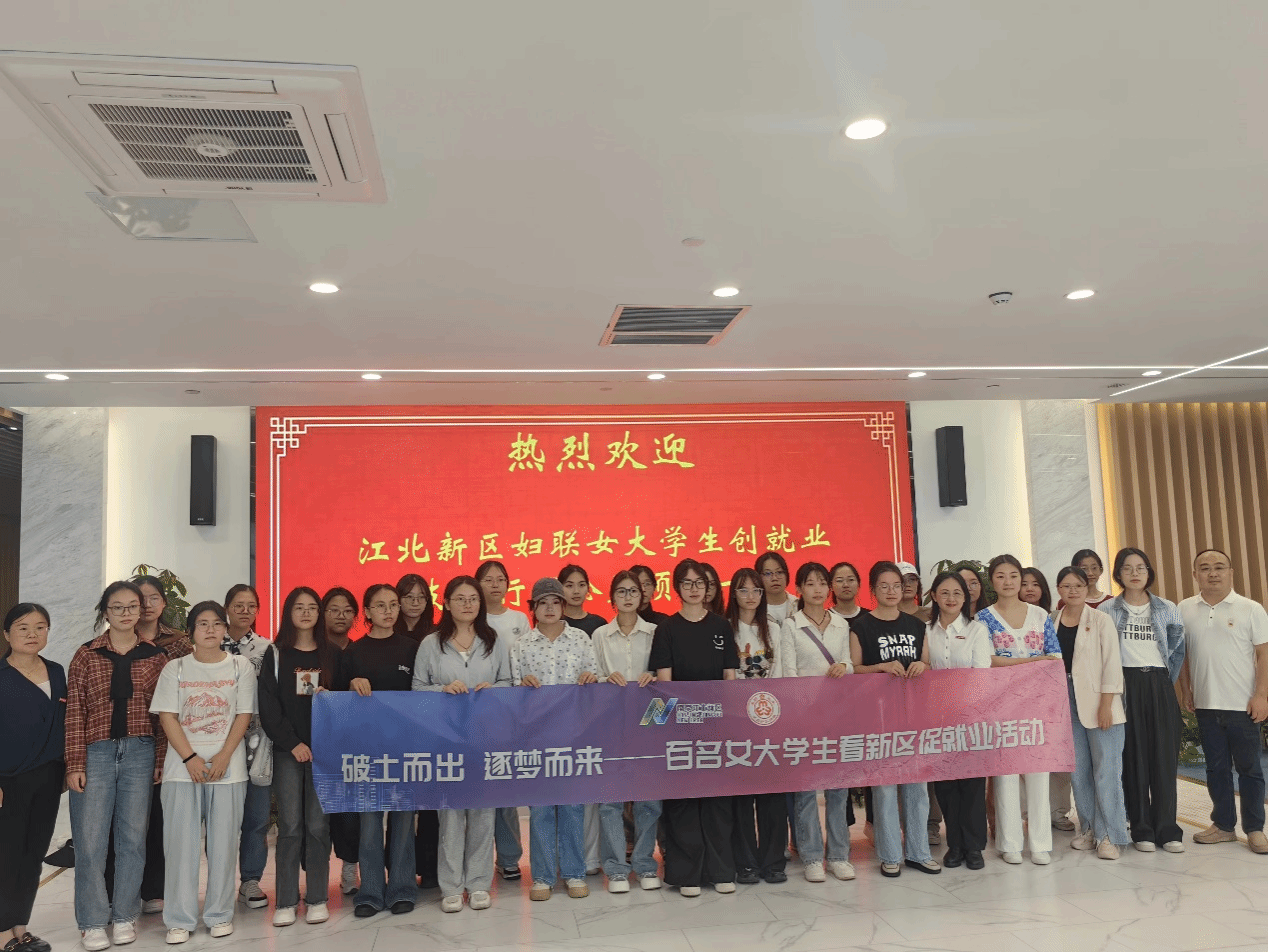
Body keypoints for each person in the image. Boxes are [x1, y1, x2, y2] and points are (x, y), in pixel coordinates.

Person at [67, 581, 169, 952]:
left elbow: (164, 716)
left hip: (141, 752)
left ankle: (125, 915)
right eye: (117, 607)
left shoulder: (156, 656)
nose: (126, 613)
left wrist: (160, 759)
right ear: (105, 612)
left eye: (132, 606)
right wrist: (74, 763)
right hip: (95, 752)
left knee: (133, 839)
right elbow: (74, 711)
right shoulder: (86, 655)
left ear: (141, 611)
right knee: (90, 841)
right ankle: (93, 921)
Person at [150, 601, 255, 944]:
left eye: (216, 624)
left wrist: (223, 756)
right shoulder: (176, 668)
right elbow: (167, 716)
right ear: (191, 631)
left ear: (225, 629)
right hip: (182, 770)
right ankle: (179, 919)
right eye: (202, 624)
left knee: (224, 844)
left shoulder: (240, 666)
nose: (210, 630)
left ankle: (220, 914)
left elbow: (243, 714)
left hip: (229, 769)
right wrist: (191, 758)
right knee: (180, 847)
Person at [413, 576, 512, 913]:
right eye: (460, 598)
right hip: (447, 740)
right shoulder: (431, 643)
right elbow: (416, 688)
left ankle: (480, 884)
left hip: (485, 738)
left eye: (473, 599)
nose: (468, 604)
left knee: (483, 814)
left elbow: (508, 681)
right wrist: (441, 689)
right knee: (451, 816)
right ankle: (452, 886)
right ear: (446, 603)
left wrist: (493, 689)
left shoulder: (493, 640)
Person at [650, 559, 740, 898]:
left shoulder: (721, 626)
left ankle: (721, 870)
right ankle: (687, 873)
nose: (694, 588)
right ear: (677, 588)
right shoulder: (666, 629)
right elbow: (664, 683)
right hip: (681, 728)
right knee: (684, 801)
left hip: (717, 725)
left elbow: (729, 676)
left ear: (708, 587)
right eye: (686, 583)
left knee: (717, 801)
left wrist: (726, 718)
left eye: (699, 582)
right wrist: (678, 721)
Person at [102, 576, 189, 916]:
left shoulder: (179, 643)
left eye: (153, 598)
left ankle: (153, 889)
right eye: (141, 599)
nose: (147, 605)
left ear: (164, 603)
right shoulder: (113, 642)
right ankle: (116, 892)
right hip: (118, 743)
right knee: (117, 822)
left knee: (155, 820)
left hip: (165, 740)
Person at [851, 561, 939, 877]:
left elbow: (928, 663)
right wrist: (880, 667)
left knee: (917, 786)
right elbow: (855, 669)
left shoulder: (916, 625)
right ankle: (890, 854)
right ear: (873, 590)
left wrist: (922, 666)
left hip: (913, 714)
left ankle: (918, 852)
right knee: (885, 788)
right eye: (884, 586)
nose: (891, 591)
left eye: (897, 586)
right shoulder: (861, 626)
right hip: (878, 717)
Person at [512, 578, 598, 901]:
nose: (549, 608)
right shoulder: (521, 645)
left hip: (574, 734)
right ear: (533, 608)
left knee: (573, 806)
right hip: (536, 737)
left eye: (555, 602)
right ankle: (543, 876)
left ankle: (574, 873)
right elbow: (510, 692)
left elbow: (595, 679)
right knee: (541, 809)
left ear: (564, 606)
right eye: (542, 602)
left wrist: (591, 678)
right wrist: (521, 685)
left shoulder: (581, 639)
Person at [258, 587, 339, 927]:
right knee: (290, 827)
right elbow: (268, 706)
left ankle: (318, 897)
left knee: (318, 826)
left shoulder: (332, 654)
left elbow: (346, 702)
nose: (306, 613)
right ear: (288, 613)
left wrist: (331, 697)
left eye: (312, 607)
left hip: (324, 752)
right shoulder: (276, 654)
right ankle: (286, 900)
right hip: (288, 752)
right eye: (299, 607)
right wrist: (293, 743)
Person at [1178, 548, 1268, 853]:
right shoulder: (1185, 609)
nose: (1212, 573)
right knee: (1215, 769)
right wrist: (1187, 690)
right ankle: (1224, 826)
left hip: (1243, 705)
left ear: (1230, 572)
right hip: (1206, 705)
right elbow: (1183, 654)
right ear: (1195, 574)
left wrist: (1261, 695)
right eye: (1205, 568)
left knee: (1250, 769)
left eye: (1219, 567)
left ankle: (1255, 829)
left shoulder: (1250, 609)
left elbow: (1264, 654)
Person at [339, 584, 420, 916]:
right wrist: (350, 685)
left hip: (405, 747)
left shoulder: (413, 649)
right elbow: (338, 702)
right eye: (380, 605)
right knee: (370, 822)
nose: (388, 611)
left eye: (393, 605)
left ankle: (402, 888)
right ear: (367, 612)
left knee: (403, 820)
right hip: (367, 748)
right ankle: (370, 892)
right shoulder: (353, 652)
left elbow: (423, 695)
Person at [1100, 548, 1186, 852]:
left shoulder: (1168, 608)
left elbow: (1177, 651)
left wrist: (1163, 683)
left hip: (1159, 683)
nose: (1134, 573)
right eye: (1127, 568)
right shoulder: (1107, 610)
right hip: (1125, 685)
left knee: (1164, 758)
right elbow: (1103, 654)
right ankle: (1142, 829)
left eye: (1140, 567)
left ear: (1149, 572)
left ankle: (1168, 829)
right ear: (1118, 574)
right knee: (1133, 759)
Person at [977, 554, 1061, 865]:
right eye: (1000, 576)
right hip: (1001, 705)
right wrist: (1033, 662)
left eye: (1013, 575)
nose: (1008, 582)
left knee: (1039, 772)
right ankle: (1009, 842)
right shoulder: (983, 618)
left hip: (1038, 704)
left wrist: (1031, 664)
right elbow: (987, 660)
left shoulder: (1040, 615)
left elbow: (1054, 656)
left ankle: (1040, 843)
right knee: (1006, 774)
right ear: (992, 581)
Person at [781, 563, 854, 883]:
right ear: (799, 589)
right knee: (806, 790)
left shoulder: (840, 624)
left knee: (838, 789)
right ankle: (811, 856)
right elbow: (788, 673)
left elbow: (850, 662)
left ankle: (839, 855)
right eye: (810, 583)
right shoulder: (790, 625)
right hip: (805, 718)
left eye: (822, 583)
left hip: (837, 715)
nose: (817, 589)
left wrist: (844, 666)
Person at [1052, 567, 1129, 860]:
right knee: (1079, 771)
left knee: (1106, 772)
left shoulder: (1100, 620)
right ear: (1058, 589)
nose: (1072, 591)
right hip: (1065, 701)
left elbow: (1112, 664)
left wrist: (1106, 704)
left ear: (1087, 588)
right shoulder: (1051, 620)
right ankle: (1088, 829)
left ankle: (1110, 835)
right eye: (1066, 586)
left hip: (1100, 701)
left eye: (1078, 585)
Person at [592, 570, 662, 894]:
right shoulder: (600, 635)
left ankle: (645, 864)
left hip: (651, 719)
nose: (628, 596)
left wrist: (653, 676)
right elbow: (591, 675)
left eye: (633, 591)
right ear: (612, 598)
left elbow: (666, 677)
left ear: (642, 595)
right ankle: (616, 868)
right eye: (621, 591)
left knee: (650, 799)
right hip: (611, 721)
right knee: (611, 799)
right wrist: (604, 679)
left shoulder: (655, 633)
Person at [0, 604, 64, 952]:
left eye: (40, 627)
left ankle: (21, 927)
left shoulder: (56, 671)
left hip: (49, 777)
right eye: (23, 627)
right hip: (8, 781)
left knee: (33, 853)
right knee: (6, 855)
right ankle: (1, 934)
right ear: (7, 634)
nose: (32, 634)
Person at [925, 573, 991, 870]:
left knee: (972, 784)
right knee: (946, 786)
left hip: (971, 718)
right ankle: (955, 844)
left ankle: (974, 847)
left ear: (966, 597)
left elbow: (981, 674)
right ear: (934, 596)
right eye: (944, 592)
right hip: (937, 719)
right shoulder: (926, 631)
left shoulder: (977, 630)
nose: (951, 598)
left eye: (957, 593)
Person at [724, 568, 785, 884]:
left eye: (756, 590)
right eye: (743, 590)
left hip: (770, 720)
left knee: (773, 796)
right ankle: (745, 862)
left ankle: (773, 861)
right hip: (736, 722)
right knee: (741, 797)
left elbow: (781, 672)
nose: (750, 596)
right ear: (733, 594)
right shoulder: (724, 629)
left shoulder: (773, 628)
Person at [475, 561, 531, 881]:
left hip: (510, 712)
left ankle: (509, 857)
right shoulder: (470, 618)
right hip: (475, 712)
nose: (495, 584)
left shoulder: (519, 619)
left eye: (501, 579)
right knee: (479, 790)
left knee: (505, 787)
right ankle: (479, 861)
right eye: (488, 579)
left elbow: (525, 661)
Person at [219, 584, 272, 912]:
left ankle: (250, 880)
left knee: (256, 816)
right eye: (238, 605)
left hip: (256, 742)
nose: (245, 611)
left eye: (251, 606)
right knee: (220, 818)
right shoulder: (208, 644)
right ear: (227, 608)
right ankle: (220, 883)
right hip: (217, 742)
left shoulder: (267, 649)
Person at [392, 574, 440, 888]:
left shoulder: (437, 636)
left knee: (431, 806)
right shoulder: (387, 634)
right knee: (401, 807)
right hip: (396, 731)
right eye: (408, 596)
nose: (414, 603)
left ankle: (431, 868)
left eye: (421, 597)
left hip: (430, 728)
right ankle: (401, 870)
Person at [320, 587, 360, 894]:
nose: (341, 616)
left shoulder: (360, 653)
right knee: (317, 816)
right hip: (315, 744)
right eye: (334, 610)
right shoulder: (311, 652)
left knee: (349, 812)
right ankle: (316, 876)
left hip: (353, 744)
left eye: (347, 611)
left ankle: (350, 867)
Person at [558, 565, 608, 635]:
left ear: (588, 588)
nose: (576, 591)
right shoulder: (553, 622)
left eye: (581, 585)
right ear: (559, 588)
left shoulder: (599, 624)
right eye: (569, 586)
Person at [756, 552, 795, 628]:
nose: (774, 578)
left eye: (779, 572)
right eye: (767, 573)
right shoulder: (753, 608)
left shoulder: (799, 605)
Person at [394, 574, 436, 642]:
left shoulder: (436, 635)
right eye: (409, 597)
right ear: (398, 599)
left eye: (421, 597)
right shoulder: (389, 633)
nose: (415, 603)